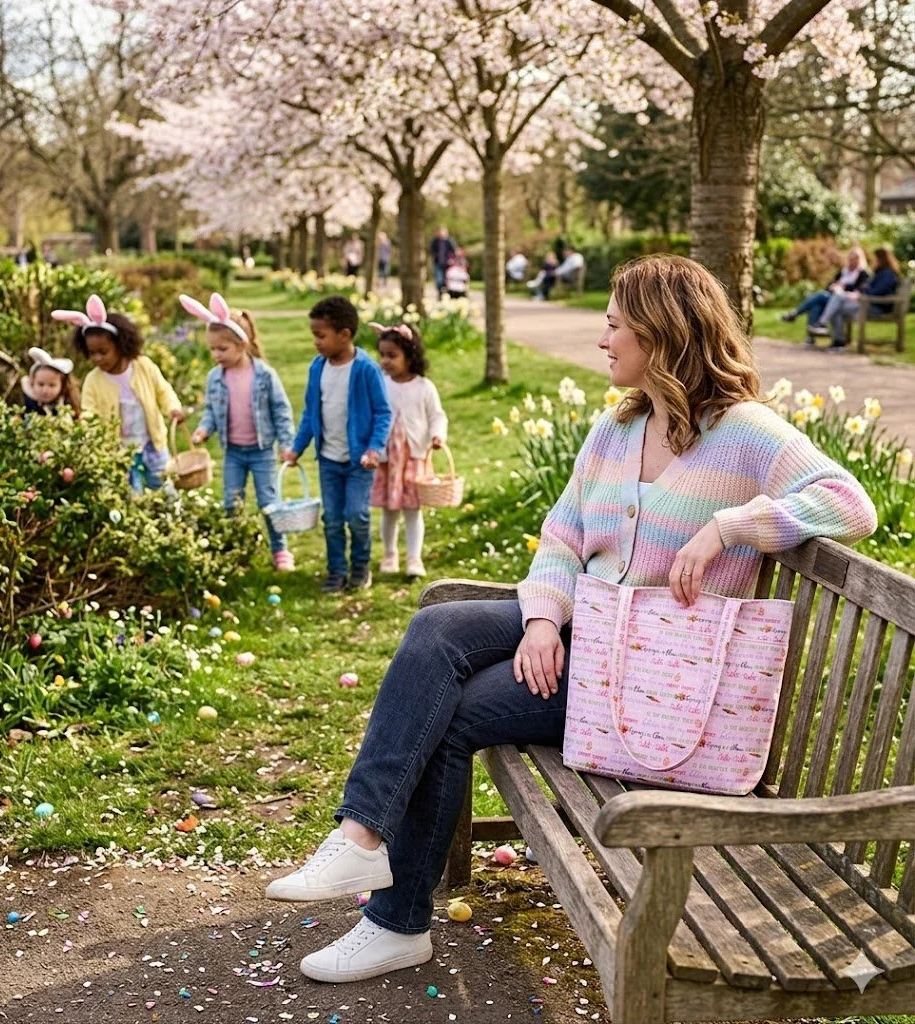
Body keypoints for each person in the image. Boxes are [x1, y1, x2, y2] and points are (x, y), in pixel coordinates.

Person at [264, 255, 877, 985]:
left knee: (453, 712)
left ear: (663, 333)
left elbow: (850, 503)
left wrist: (733, 527)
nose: (603, 340)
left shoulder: (746, 434)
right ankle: (363, 835)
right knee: (438, 630)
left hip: (652, 687)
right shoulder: (618, 429)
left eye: (616, 326)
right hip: (585, 635)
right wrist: (542, 623)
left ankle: (394, 922)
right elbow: (560, 538)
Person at [183, 292, 296, 572]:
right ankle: (235, 547)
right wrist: (203, 430)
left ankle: (279, 550)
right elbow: (211, 411)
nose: (215, 355)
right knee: (231, 503)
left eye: (222, 349)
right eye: (212, 349)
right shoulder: (215, 378)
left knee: (269, 503)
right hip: (233, 452)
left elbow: (281, 410)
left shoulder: (264, 375)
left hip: (261, 452)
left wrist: (286, 443)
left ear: (242, 344)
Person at [290, 296, 392, 594]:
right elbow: (310, 412)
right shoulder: (317, 367)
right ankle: (336, 571)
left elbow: (383, 412)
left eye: (320, 336)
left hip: (360, 460)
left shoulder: (366, 369)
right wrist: (298, 447)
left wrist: (375, 448)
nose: (316, 342)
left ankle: (360, 567)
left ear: (344, 335)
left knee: (357, 516)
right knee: (332, 519)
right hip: (329, 459)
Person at [54, 295, 185, 492]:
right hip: (119, 449)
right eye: (92, 353)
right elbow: (89, 413)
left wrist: (173, 408)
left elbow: (163, 390)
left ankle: (174, 520)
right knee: (131, 493)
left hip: (152, 444)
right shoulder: (93, 380)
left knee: (165, 489)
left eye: (103, 351)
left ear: (121, 344)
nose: (97, 358)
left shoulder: (143, 366)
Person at [370, 322, 448, 579]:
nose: (385, 361)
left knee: (412, 510)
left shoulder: (424, 387)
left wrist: (437, 436)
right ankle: (389, 553)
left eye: (392, 355)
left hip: (413, 457)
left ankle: (414, 558)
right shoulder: (380, 383)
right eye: (382, 355)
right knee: (389, 509)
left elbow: (437, 416)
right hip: (387, 458)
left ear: (410, 356)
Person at [808, 246, 902, 349]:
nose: (872, 261)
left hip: (877, 308)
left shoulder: (887, 274)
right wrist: (858, 292)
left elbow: (877, 291)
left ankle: (822, 324)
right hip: (868, 304)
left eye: (874, 258)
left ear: (880, 259)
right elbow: (867, 287)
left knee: (838, 298)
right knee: (836, 306)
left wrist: (859, 295)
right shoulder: (880, 273)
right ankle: (838, 342)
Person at [780, 246, 869, 331]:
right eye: (850, 259)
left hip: (844, 300)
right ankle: (812, 336)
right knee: (816, 306)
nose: (851, 261)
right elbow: (829, 285)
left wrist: (843, 287)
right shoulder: (843, 271)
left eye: (854, 259)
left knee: (821, 296)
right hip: (832, 295)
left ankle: (796, 313)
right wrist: (834, 286)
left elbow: (860, 290)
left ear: (859, 260)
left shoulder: (862, 274)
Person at [20, 347, 80, 417]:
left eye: (52, 385)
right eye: (41, 384)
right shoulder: (25, 403)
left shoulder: (68, 405)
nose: (45, 390)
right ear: (32, 382)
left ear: (62, 385)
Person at [429, 226, 457, 298]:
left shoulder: (449, 241)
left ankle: (448, 294)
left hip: (448, 264)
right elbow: (431, 250)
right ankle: (440, 293)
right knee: (439, 280)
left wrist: (452, 259)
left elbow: (454, 251)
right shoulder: (435, 241)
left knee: (447, 280)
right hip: (438, 263)